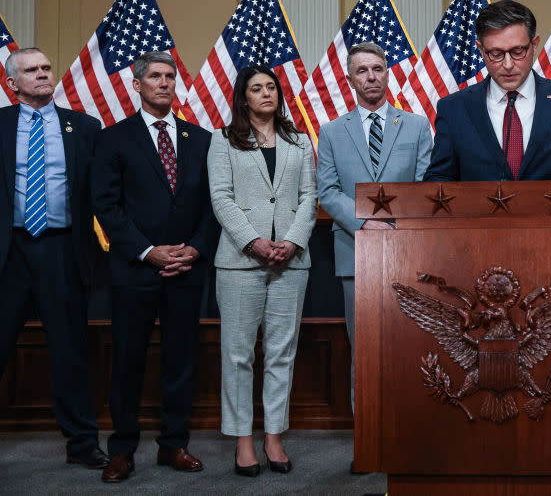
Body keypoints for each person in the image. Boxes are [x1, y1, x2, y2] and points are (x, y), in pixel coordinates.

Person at [92, 51, 218, 483]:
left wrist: (196, 249)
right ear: (138, 84)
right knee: (127, 359)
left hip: (188, 268)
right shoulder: (112, 138)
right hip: (135, 269)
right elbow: (106, 206)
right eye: (155, 77)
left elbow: (213, 206)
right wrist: (148, 251)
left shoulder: (202, 139)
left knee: (182, 359)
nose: (164, 83)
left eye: (170, 77)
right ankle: (122, 449)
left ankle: (174, 445)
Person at [316, 42, 432, 443]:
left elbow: (426, 186)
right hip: (355, 252)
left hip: (409, 252)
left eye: (377, 69)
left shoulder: (416, 126)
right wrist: (366, 224)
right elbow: (328, 191)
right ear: (350, 78)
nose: (371, 76)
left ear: (388, 73)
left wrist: (397, 228)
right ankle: (368, 437)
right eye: (362, 70)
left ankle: (407, 433)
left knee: (409, 344)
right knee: (362, 349)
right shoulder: (332, 131)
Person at [207, 65, 318, 477]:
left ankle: (273, 436)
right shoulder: (223, 140)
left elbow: (309, 197)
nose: (266, 94)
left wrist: (291, 241)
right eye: (257, 88)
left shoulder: (299, 140)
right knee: (237, 354)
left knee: (280, 352)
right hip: (240, 261)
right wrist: (254, 241)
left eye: (271, 87)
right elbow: (221, 198)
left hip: (292, 261)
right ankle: (242, 440)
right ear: (244, 97)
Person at [0, 48, 107, 469]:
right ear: (13, 83)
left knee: (70, 351)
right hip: (9, 253)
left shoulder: (84, 127)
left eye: (46, 68)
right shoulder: (1, 125)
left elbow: (102, 193)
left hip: (62, 250)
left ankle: (82, 443)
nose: (43, 74)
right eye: (32, 70)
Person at [424, 0, 551, 182]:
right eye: (496, 54)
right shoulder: (454, 109)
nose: (508, 64)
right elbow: (440, 180)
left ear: (534, 44)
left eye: (517, 52)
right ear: (480, 49)